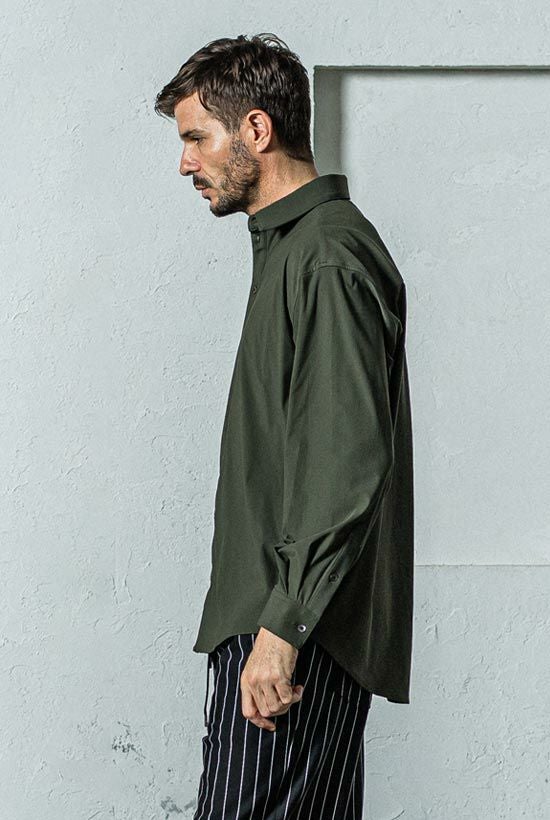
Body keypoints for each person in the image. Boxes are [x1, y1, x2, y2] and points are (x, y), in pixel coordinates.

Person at [155, 32, 414, 819]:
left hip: (291, 629)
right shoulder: (294, 249)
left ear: (257, 130)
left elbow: (346, 462)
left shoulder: (326, 256)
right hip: (287, 620)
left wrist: (283, 627)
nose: (186, 163)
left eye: (197, 137)